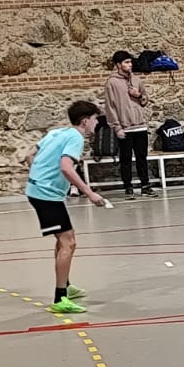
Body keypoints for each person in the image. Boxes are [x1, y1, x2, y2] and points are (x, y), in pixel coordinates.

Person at [23, 101, 108, 316]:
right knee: (68, 242)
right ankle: (60, 298)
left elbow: (30, 154)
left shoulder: (57, 132)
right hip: (46, 195)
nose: (96, 124)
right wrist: (90, 193)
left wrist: (38, 176)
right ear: (85, 121)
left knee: (64, 239)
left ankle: (66, 286)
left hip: (38, 191)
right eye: (95, 120)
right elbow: (66, 168)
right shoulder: (75, 138)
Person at [102, 50, 154, 198]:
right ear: (118, 65)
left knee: (142, 157)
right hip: (125, 127)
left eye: (130, 62)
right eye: (126, 62)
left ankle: (145, 186)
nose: (130, 65)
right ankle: (128, 187)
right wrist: (117, 127)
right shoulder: (112, 82)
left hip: (140, 125)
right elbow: (110, 106)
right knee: (125, 159)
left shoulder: (136, 80)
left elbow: (145, 100)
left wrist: (138, 95)